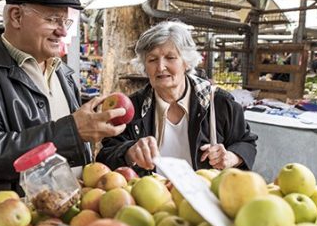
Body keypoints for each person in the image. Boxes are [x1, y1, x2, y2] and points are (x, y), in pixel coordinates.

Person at [0, 0, 127, 204]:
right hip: (19, 217)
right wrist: (71, 131)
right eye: (52, 19)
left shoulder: (63, 72)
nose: (62, 31)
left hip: (72, 205)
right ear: (16, 16)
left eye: (65, 21)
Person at [97, 21, 257, 172]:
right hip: (149, 199)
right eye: (152, 59)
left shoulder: (219, 102)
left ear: (186, 62)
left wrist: (230, 157)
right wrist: (129, 152)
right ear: (145, 66)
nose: (160, 67)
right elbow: (105, 157)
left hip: (202, 198)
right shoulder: (132, 108)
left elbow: (247, 143)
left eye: (170, 58)